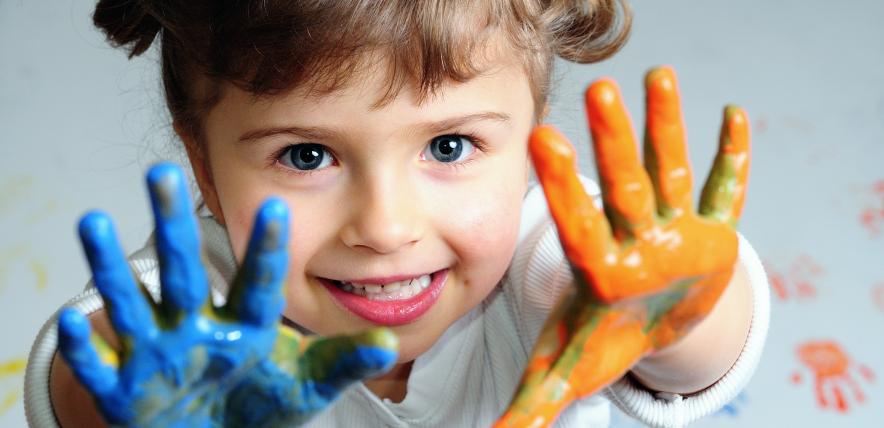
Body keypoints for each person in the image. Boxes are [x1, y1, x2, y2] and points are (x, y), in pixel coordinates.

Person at [24, 0, 770, 427]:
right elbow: (90, 360)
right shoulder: (205, 313)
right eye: (307, 156)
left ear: (533, 135)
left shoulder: (555, 263)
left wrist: (688, 313)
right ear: (204, 168)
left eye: (449, 146)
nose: (384, 227)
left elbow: (696, 351)